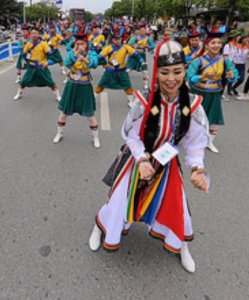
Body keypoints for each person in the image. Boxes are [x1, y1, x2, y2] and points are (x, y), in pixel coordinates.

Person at [88, 40, 210, 274]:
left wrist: (197, 169)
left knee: (178, 206)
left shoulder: (193, 105)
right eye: (164, 72)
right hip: (138, 158)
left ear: (185, 71)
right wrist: (142, 160)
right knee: (119, 201)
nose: (171, 78)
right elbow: (130, 135)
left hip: (167, 161)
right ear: (157, 73)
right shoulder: (144, 100)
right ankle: (99, 226)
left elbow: (195, 143)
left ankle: (181, 245)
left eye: (177, 72)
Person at [187, 32, 237, 154]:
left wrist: (232, 76)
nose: (217, 45)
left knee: (214, 120)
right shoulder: (198, 61)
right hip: (198, 93)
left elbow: (234, 74)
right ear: (206, 45)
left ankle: (209, 142)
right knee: (194, 118)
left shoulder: (224, 61)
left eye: (219, 43)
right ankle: (192, 139)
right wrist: (201, 76)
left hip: (214, 93)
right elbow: (189, 78)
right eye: (213, 43)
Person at [53, 24, 100, 148]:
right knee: (64, 112)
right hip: (72, 85)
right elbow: (67, 63)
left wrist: (85, 60)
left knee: (89, 115)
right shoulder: (71, 53)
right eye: (77, 44)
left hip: (85, 86)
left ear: (86, 44)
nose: (80, 46)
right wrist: (75, 54)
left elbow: (94, 64)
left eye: (82, 44)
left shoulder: (91, 53)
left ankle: (95, 137)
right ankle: (59, 133)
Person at [95, 25, 144, 108]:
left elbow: (135, 55)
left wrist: (141, 61)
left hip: (121, 71)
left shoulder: (126, 47)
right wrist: (91, 60)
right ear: (112, 40)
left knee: (128, 86)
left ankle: (130, 101)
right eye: (116, 39)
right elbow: (100, 56)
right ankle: (92, 98)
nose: (118, 41)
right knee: (100, 85)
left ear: (121, 39)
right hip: (110, 71)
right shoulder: (109, 48)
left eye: (119, 39)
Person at [13, 26, 61, 102]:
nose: (34, 35)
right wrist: (23, 60)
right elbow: (23, 55)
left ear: (39, 34)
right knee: (23, 82)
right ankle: (19, 94)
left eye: (35, 33)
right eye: (32, 33)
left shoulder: (44, 44)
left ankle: (57, 96)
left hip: (42, 68)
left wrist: (48, 62)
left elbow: (51, 56)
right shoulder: (28, 44)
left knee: (50, 82)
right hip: (31, 68)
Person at [127, 24, 156, 89]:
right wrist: (134, 46)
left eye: (144, 31)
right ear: (139, 31)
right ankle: (124, 82)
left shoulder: (148, 39)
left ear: (146, 31)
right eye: (141, 31)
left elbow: (153, 46)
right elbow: (129, 44)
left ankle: (145, 84)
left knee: (144, 71)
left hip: (142, 55)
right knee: (128, 70)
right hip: (134, 55)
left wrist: (148, 47)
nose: (142, 32)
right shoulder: (135, 38)